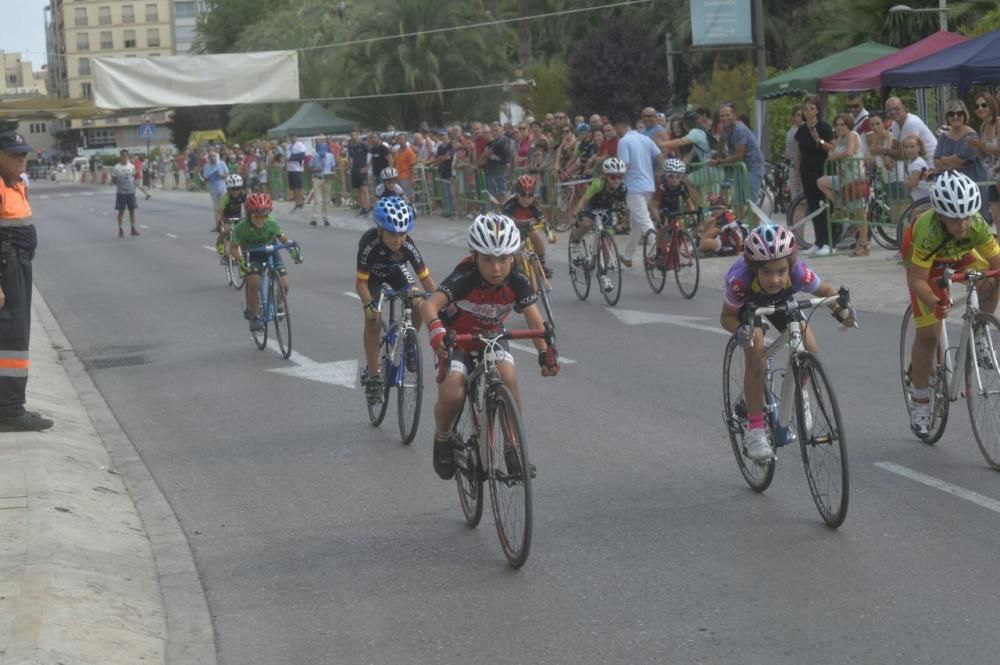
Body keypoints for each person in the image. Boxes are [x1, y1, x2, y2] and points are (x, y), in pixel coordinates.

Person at [419, 213, 559, 480]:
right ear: (474, 256)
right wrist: (436, 330)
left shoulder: (518, 279)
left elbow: (534, 318)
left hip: (491, 335)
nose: (496, 268)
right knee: (452, 392)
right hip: (455, 336)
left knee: (508, 377)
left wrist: (545, 351)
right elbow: (429, 305)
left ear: (514, 257)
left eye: (504, 259)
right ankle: (443, 438)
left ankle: (512, 446)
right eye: (488, 260)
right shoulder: (465, 275)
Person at [720, 223, 857, 461]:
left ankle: (798, 389)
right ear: (754, 269)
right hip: (750, 306)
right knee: (757, 352)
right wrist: (741, 332)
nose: (775, 279)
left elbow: (826, 291)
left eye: (781, 271)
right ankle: (755, 430)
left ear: (790, 266)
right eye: (767, 272)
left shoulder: (798, 272)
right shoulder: (739, 281)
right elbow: (726, 317)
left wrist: (841, 311)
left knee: (810, 347)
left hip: (782, 302)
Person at [900, 171, 1000, 436]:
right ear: (941, 214)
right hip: (927, 266)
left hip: (958, 254)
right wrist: (934, 302)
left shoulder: (975, 224)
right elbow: (918, 280)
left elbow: (996, 263)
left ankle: (980, 332)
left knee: (990, 281)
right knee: (929, 334)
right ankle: (920, 401)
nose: (963, 225)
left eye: (967, 216)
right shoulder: (926, 230)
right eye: (956, 219)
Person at [356, 196, 436, 402]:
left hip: (398, 273)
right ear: (380, 230)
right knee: (373, 319)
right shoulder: (369, 244)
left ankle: (409, 343)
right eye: (392, 234)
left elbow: (427, 281)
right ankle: (374, 376)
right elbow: (361, 284)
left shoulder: (408, 245)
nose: (398, 240)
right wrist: (368, 305)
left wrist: (440, 304)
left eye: (402, 233)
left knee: (419, 301)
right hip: (372, 280)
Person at [0, 131, 53, 432]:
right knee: (11, 340)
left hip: (17, 266)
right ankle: (10, 412)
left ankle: (9, 407)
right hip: (6, 270)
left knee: (14, 336)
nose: (21, 159)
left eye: (24, 154)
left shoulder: (16, 184)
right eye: (14, 154)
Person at [230, 193, 302, 332]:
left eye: (264, 215)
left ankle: (279, 303)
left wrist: (293, 251)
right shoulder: (241, 228)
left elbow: (284, 240)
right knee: (253, 282)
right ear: (249, 214)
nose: (260, 220)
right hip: (253, 254)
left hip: (271, 251)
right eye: (256, 216)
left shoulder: (271, 223)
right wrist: (240, 260)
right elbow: (232, 248)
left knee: (285, 284)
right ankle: (254, 315)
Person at [569, 157, 629, 293]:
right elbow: (584, 200)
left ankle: (604, 273)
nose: (617, 180)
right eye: (613, 177)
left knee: (607, 241)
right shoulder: (598, 184)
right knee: (587, 223)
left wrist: (622, 217)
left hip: (606, 209)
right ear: (605, 176)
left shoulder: (622, 188)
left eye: (620, 177)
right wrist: (576, 214)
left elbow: (621, 205)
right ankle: (575, 239)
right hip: (592, 206)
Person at [615, 112, 663, 268]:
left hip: (634, 187)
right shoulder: (645, 139)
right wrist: (661, 173)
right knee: (636, 223)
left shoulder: (624, 141)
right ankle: (628, 256)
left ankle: (659, 251)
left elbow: (624, 165)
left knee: (643, 220)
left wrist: (615, 179)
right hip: (648, 185)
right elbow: (659, 155)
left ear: (619, 127)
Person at [816, 113, 865, 255]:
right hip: (843, 178)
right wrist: (820, 141)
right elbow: (831, 149)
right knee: (821, 182)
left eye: (842, 124)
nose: (839, 127)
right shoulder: (840, 139)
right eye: (837, 125)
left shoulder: (852, 134)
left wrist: (834, 156)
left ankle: (863, 245)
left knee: (859, 214)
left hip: (855, 177)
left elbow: (849, 152)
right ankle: (840, 204)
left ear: (848, 124)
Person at [794, 97, 835, 256]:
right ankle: (818, 242)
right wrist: (797, 173)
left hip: (821, 170)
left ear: (817, 110)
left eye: (811, 108)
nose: (808, 111)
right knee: (813, 206)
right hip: (807, 171)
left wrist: (819, 139)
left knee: (823, 205)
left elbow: (831, 146)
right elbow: (798, 153)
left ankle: (828, 241)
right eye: (805, 109)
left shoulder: (824, 127)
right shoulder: (801, 130)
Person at [934, 99, 988, 216]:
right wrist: (947, 160)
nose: (955, 116)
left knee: (975, 218)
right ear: (947, 117)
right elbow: (935, 161)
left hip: (972, 182)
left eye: (959, 113)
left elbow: (958, 162)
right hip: (952, 185)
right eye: (951, 114)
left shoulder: (971, 135)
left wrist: (943, 159)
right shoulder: (943, 137)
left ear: (964, 115)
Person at [710, 103, 765, 216]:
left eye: (727, 115)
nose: (725, 118)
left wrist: (720, 162)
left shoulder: (739, 130)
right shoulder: (725, 128)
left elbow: (739, 155)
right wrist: (718, 155)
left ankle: (755, 231)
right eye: (722, 116)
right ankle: (740, 229)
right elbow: (721, 141)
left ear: (734, 115)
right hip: (741, 168)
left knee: (750, 202)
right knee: (738, 201)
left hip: (753, 167)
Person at [502, 174, 553, 278]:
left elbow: (542, 220)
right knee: (518, 253)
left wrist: (549, 235)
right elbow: (504, 221)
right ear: (517, 194)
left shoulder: (534, 205)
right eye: (523, 195)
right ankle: (515, 270)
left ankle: (542, 264)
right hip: (512, 233)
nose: (527, 199)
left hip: (527, 230)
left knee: (535, 234)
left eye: (530, 196)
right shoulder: (510, 205)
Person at [968, 92, 1000, 225]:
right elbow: (984, 156)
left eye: (984, 105)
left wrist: (981, 145)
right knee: (997, 220)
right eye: (977, 106)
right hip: (992, 175)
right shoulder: (983, 126)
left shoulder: (998, 123)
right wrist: (975, 148)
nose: (980, 108)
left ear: (991, 106)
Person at [885, 96, 937, 161]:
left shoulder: (911, 123)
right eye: (889, 110)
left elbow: (908, 153)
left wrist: (885, 152)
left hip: (931, 160)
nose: (893, 112)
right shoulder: (894, 125)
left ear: (903, 107)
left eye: (896, 108)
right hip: (919, 160)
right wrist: (888, 155)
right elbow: (895, 146)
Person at [110, 149, 141, 238]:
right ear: (120, 157)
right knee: (121, 211)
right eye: (123, 155)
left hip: (131, 192)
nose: (124, 157)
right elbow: (113, 180)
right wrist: (118, 181)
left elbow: (134, 177)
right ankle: (120, 229)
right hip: (121, 192)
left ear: (128, 156)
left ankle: (133, 228)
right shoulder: (116, 168)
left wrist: (135, 184)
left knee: (132, 210)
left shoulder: (131, 166)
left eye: (126, 155)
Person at [215, 174, 247, 257]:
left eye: (237, 189)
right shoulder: (225, 197)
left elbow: (247, 208)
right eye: (232, 189)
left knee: (243, 233)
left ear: (241, 188)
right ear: (228, 189)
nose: (235, 191)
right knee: (227, 230)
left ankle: (244, 251)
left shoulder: (243, 195)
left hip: (237, 215)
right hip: (226, 216)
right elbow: (219, 211)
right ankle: (220, 243)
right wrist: (218, 223)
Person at [308, 142, 335, 227]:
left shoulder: (330, 156)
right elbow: (310, 169)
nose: (322, 155)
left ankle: (326, 219)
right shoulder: (314, 156)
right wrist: (316, 170)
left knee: (326, 200)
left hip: (327, 179)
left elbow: (333, 167)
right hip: (317, 178)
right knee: (318, 200)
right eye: (321, 154)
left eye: (323, 154)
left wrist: (332, 174)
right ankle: (315, 219)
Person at [202, 150, 230, 232]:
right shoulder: (207, 166)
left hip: (222, 188)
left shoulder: (221, 163)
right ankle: (218, 225)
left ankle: (226, 225)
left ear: (216, 156)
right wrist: (208, 177)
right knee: (216, 208)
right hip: (213, 189)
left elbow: (228, 174)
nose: (212, 158)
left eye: (213, 156)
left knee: (224, 207)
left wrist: (222, 175)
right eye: (210, 156)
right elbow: (204, 178)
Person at [902, 136, 932, 204]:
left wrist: (906, 183)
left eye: (912, 147)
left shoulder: (917, 163)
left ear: (919, 148)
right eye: (906, 147)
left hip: (922, 198)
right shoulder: (913, 162)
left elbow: (913, 183)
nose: (909, 150)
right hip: (919, 197)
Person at [347, 129, 370, 216]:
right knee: (358, 190)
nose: (353, 137)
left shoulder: (363, 144)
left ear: (358, 135)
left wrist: (367, 167)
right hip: (354, 170)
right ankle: (362, 208)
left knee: (364, 189)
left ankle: (367, 208)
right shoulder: (350, 146)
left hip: (362, 169)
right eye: (352, 135)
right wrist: (350, 164)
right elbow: (349, 156)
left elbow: (370, 154)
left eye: (355, 135)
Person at [433, 128, 456, 218]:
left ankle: (454, 211)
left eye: (444, 135)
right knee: (446, 193)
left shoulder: (451, 145)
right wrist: (442, 158)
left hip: (451, 171)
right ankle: (449, 210)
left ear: (447, 135)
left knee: (452, 193)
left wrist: (441, 158)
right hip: (443, 172)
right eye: (440, 136)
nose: (442, 137)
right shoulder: (440, 147)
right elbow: (437, 160)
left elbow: (449, 157)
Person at [286, 134, 307, 211]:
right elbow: (286, 156)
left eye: (293, 136)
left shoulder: (300, 145)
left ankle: (301, 203)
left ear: (296, 137)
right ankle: (296, 203)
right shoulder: (288, 146)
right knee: (293, 188)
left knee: (299, 187)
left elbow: (301, 155)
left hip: (297, 169)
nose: (292, 138)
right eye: (291, 136)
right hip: (290, 169)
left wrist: (291, 158)